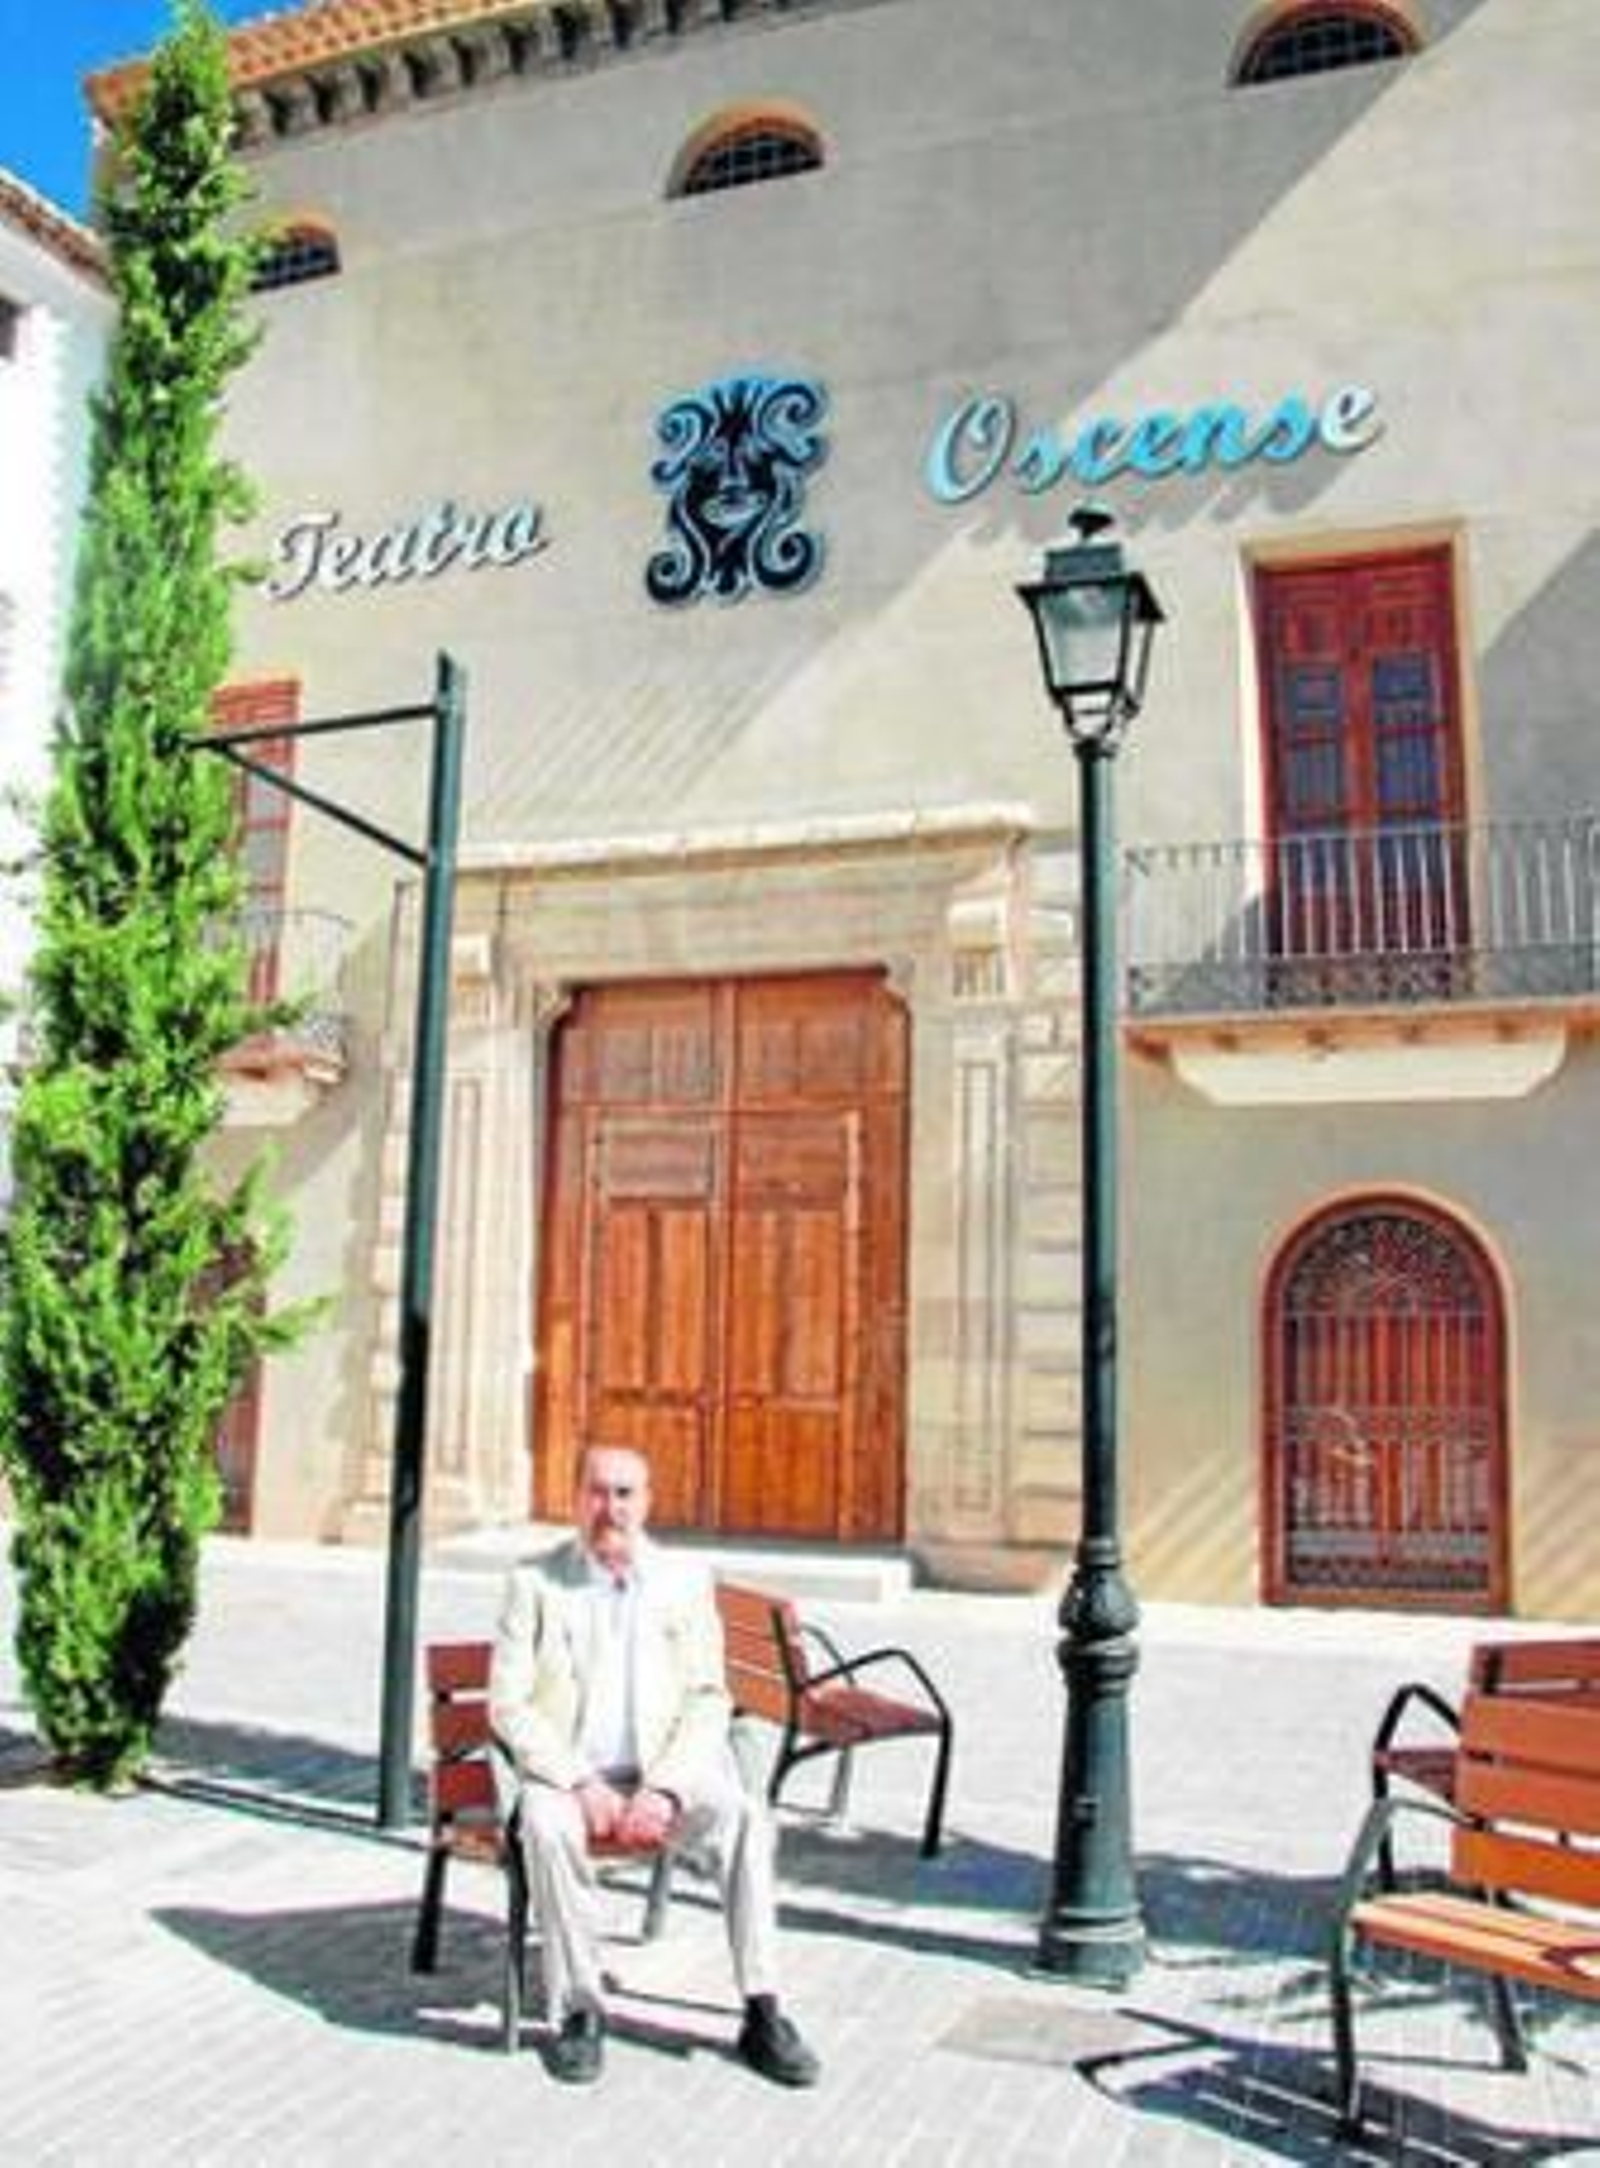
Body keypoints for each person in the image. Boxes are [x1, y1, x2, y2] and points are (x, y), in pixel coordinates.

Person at [488, 1442, 821, 2088]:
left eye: (624, 1494)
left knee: (745, 1818)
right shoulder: (533, 1584)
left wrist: (665, 1790)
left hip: (662, 1775)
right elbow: (508, 1705)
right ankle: (580, 2011)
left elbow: (708, 1698)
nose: (609, 1508)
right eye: (597, 1492)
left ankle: (763, 2007)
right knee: (547, 1825)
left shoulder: (684, 1582)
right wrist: (578, 1781)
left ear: (647, 1503)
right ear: (575, 1497)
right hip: (571, 1778)